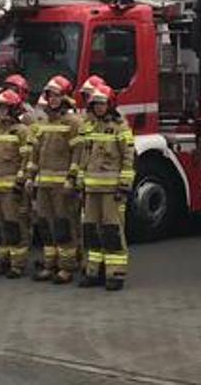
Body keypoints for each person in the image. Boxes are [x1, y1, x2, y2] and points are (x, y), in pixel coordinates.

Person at [75, 85, 135, 290]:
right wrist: (79, 181)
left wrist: (124, 185)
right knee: (91, 230)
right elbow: (84, 157)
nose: (99, 108)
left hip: (111, 191)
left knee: (112, 231)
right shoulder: (89, 127)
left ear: (110, 105)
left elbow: (128, 158)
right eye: (95, 104)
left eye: (102, 104)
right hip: (91, 190)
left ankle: (115, 274)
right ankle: (94, 271)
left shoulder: (121, 128)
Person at [29, 75, 84, 283]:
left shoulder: (73, 123)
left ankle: (67, 267)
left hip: (62, 186)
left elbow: (78, 154)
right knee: (45, 225)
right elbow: (35, 153)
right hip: (43, 184)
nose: (52, 99)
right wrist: (30, 177)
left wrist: (72, 178)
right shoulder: (42, 123)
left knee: (63, 225)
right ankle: (50, 264)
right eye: (50, 95)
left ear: (65, 98)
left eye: (57, 95)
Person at [0, 89, 36, 278]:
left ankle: (17, 263)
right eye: (0, 107)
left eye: (5, 108)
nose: (1, 111)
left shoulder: (22, 131)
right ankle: (0, 259)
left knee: (14, 225)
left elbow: (26, 157)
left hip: (11, 188)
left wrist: (21, 181)